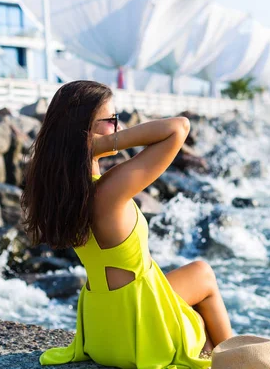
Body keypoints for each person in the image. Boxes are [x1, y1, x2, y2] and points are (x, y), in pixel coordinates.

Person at [21, 80, 233, 368]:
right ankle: (237, 360)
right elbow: (178, 127)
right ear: (86, 130)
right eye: (111, 120)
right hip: (136, 337)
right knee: (203, 275)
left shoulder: (58, 189)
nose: (117, 127)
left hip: (102, 334)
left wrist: (89, 145)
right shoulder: (109, 192)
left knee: (193, 278)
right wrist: (107, 144)